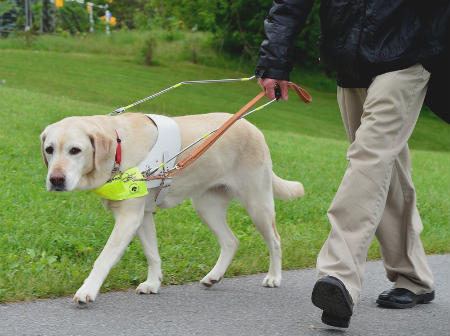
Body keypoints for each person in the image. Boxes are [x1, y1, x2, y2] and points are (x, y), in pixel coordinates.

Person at [255, 0, 449, 329]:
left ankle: (339, 275)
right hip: (350, 58)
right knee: (383, 164)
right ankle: (412, 276)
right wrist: (275, 59)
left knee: (368, 159)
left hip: (407, 53)